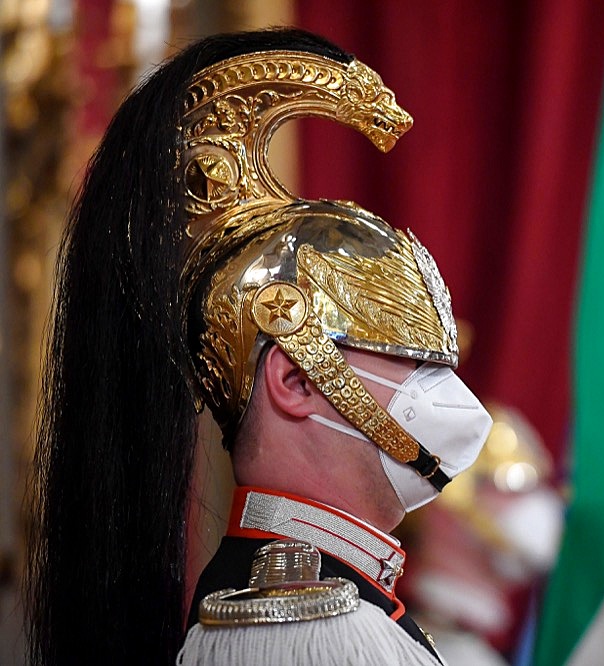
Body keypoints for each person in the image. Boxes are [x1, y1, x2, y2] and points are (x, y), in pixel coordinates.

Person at [27, 28, 491, 665]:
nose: (448, 393)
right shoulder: (321, 633)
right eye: (413, 359)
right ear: (296, 379)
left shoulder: (341, 609)